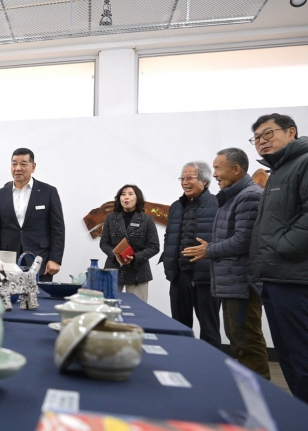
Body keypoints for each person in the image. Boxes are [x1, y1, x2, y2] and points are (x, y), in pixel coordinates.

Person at [183, 148, 270, 379]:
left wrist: (209, 249)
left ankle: (260, 393)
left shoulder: (249, 196)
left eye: (218, 168)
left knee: (246, 341)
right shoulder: (232, 197)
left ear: (236, 169)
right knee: (238, 339)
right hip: (231, 281)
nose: (214, 174)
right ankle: (248, 390)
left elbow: (243, 240)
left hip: (242, 282)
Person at [249, 113, 308, 402]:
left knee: (302, 357)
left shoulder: (304, 162)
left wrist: (283, 246)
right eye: (257, 138)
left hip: (295, 278)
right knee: (288, 357)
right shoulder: (278, 171)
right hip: (274, 276)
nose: (262, 141)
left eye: (268, 133)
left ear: (291, 132)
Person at [161, 161, 221, 348]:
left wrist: (211, 249)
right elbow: (169, 236)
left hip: (206, 277)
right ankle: (181, 361)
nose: (184, 182)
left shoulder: (219, 204)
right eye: (182, 178)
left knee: (209, 329)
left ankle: (210, 364)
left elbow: (226, 238)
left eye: (189, 178)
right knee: (179, 327)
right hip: (179, 276)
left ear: (204, 181)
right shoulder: (176, 206)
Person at [0, 148, 65, 282]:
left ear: (33, 167)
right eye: (14, 164)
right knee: (8, 295)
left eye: (23, 164)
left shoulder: (48, 192)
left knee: (39, 295)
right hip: (7, 263)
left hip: (40, 261)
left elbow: (57, 228)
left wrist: (55, 259)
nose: (18, 168)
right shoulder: (0, 194)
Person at [98, 185, 160, 302]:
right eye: (123, 194)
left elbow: (154, 247)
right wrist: (116, 256)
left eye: (130, 194)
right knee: (107, 306)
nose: (126, 197)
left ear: (138, 198)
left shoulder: (147, 220)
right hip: (113, 269)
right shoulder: (110, 218)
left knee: (138, 309)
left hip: (138, 272)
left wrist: (135, 257)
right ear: (119, 199)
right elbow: (104, 243)